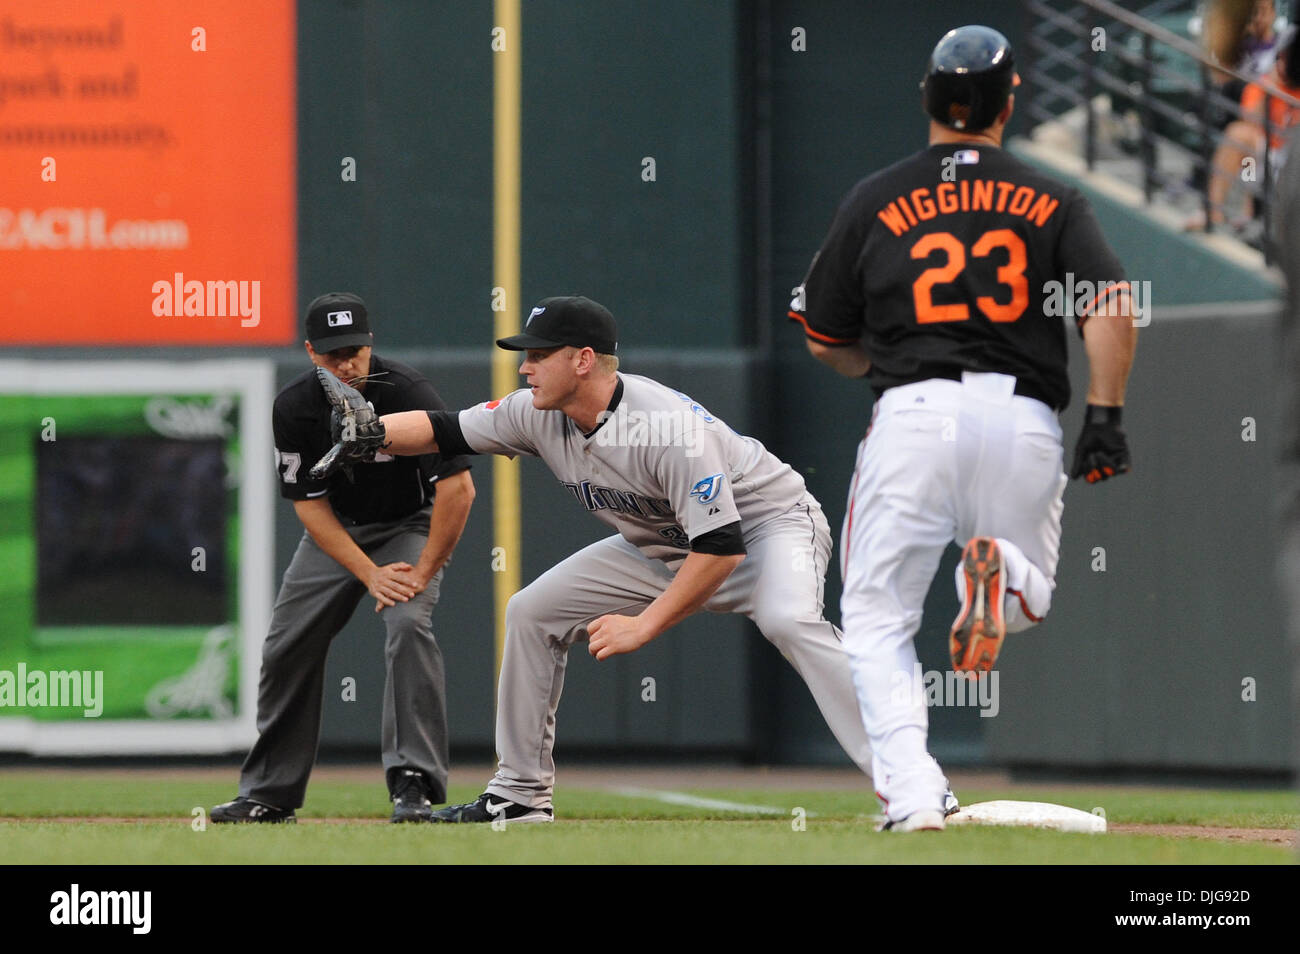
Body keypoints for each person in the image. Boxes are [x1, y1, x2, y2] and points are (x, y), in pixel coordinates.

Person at [309, 295, 924, 824]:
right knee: (532, 612)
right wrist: (374, 435)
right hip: (662, 544)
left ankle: (911, 782)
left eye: (537, 354)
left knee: (789, 621)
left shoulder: (667, 427)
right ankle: (518, 795)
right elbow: (445, 429)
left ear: (582, 360)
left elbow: (720, 547)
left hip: (766, 530)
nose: (525, 368)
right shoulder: (536, 412)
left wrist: (647, 622)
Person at [790, 26, 1138, 831]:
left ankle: (913, 799)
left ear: (927, 98)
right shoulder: (1052, 197)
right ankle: (1002, 571)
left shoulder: (876, 197)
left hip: (914, 410)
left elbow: (822, 337)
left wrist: (880, 358)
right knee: (1031, 598)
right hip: (1022, 416)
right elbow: (1112, 306)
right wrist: (1107, 418)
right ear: (1009, 100)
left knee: (878, 618)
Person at [211, 292, 475, 823]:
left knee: (407, 627)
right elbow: (309, 506)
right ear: (311, 352)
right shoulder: (295, 407)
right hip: (337, 533)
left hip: (408, 527)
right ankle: (269, 792)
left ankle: (413, 783)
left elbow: (459, 490)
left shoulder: (406, 390)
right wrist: (368, 573)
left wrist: (421, 572)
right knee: (287, 643)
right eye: (332, 354)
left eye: (354, 350)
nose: (346, 364)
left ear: (369, 344)